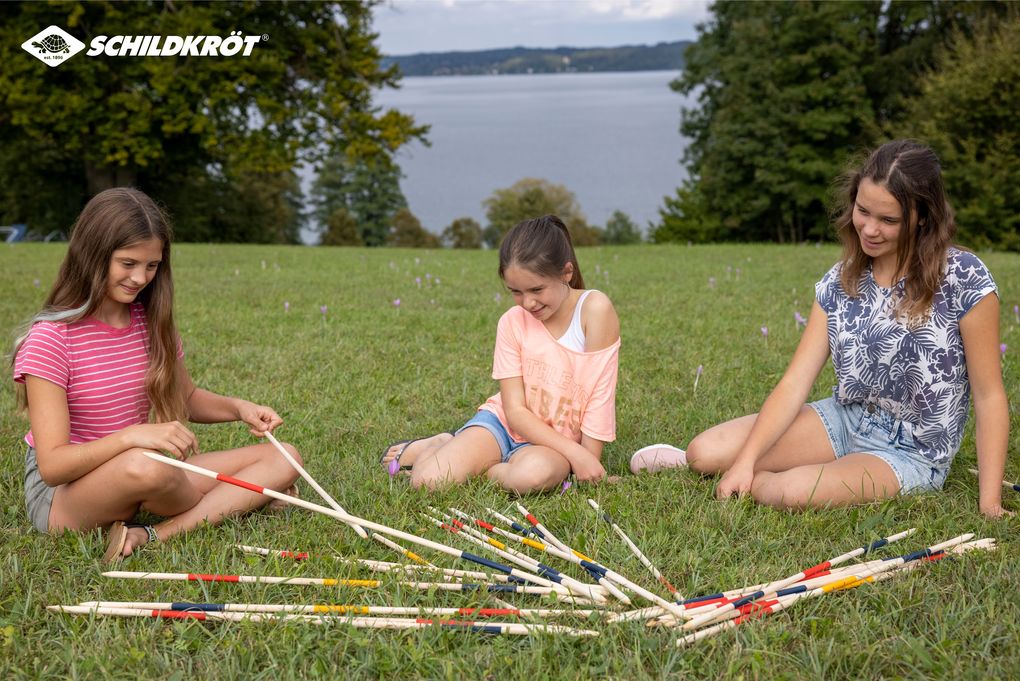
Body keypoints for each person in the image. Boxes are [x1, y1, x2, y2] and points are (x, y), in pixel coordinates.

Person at [632, 140, 1010, 518]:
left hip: (911, 451)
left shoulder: (964, 278)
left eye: (889, 220)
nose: (870, 229)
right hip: (845, 418)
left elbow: (989, 396)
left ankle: (783, 474)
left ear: (923, 217)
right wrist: (744, 461)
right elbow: (795, 383)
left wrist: (990, 503)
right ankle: (710, 464)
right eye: (863, 211)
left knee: (785, 491)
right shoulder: (840, 281)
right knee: (703, 453)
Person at [11, 188, 302, 562]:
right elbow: (53, 466)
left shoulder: (148, 323)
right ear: (92, 255)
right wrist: (132, 436)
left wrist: (239, 407)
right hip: (64, 496)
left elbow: (186, 397)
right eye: (128, 263)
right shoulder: (52, 338)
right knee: (148, 463)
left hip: (145, 470)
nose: (140, 278)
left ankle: (154, 534)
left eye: (152, 266)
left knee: (286, 458)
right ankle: (239, 499)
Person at [380, 215, 621, 493]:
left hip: (554, 444)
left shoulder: (595, 310)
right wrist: (577, 456)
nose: (528, 303)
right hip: (503, 425)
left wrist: (587, 458)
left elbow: (600, 396)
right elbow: (515, 411)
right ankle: (442, 443)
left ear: (566, 273)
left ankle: (474, 461)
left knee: (532, 478)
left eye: (537, 289)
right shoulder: (511, 321)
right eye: (515, 292)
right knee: (427, 482)